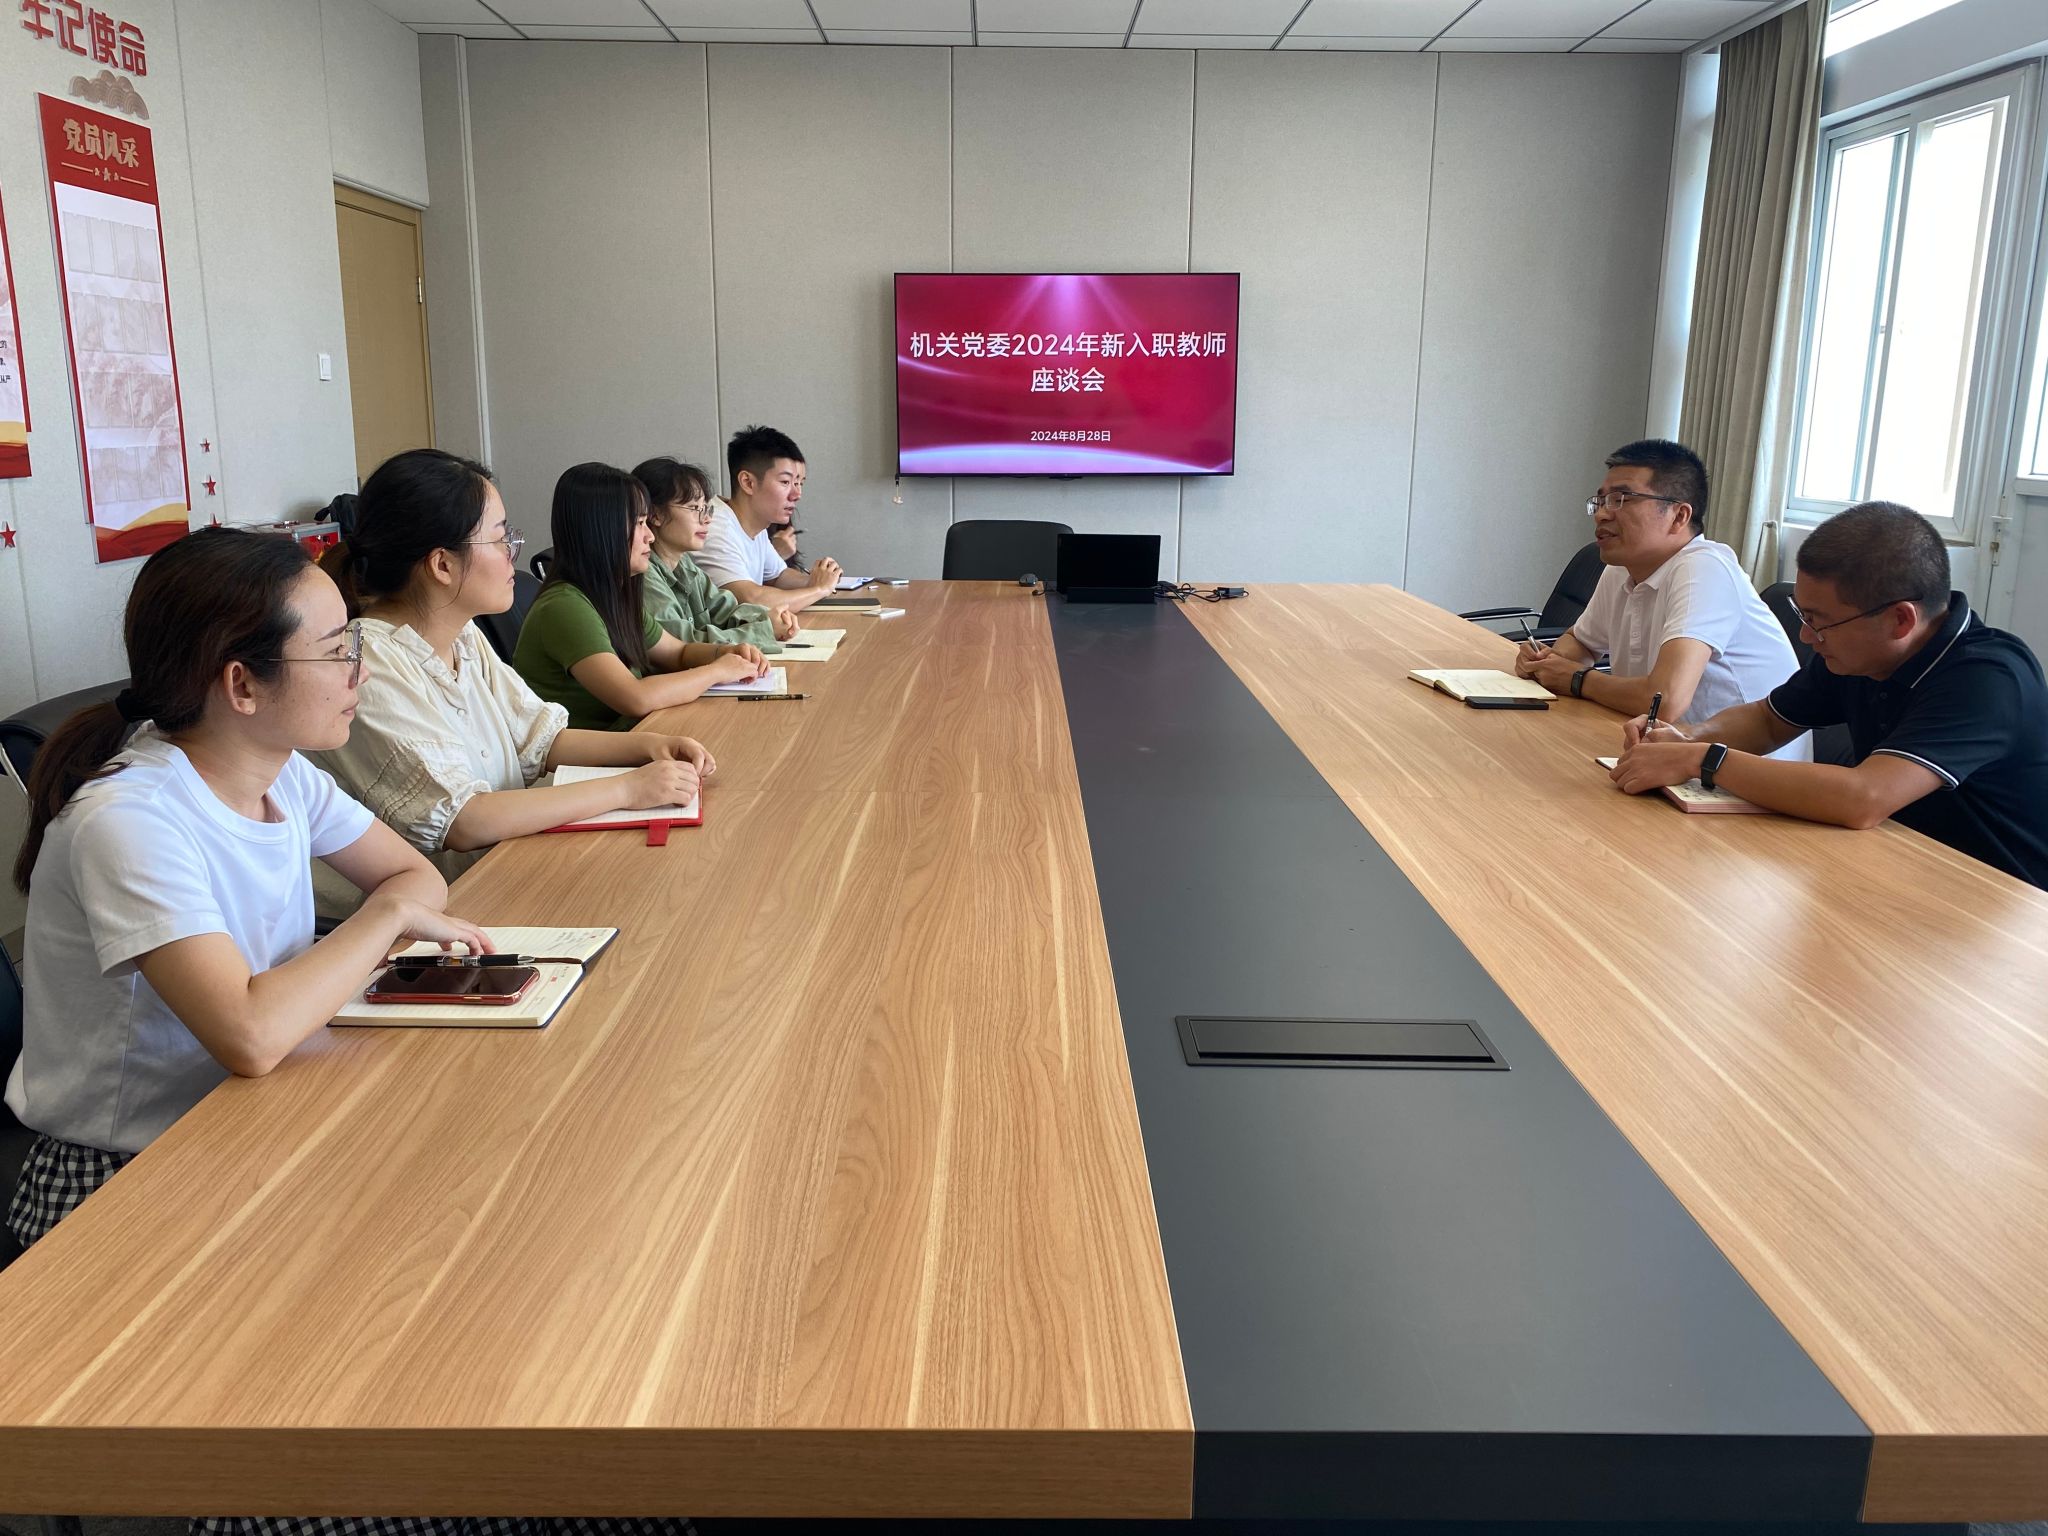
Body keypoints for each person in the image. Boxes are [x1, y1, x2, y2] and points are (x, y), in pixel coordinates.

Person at [4, 528, 488, 1250]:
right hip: (125, 1173)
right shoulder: (129, 821)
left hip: (253, 1111)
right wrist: (388, 917)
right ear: (242, 685)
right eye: (336, 652)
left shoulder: (282, 773)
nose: (359, 672)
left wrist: (394, 908)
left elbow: (415, 875)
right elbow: (251, 1035)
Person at [312, 449, 715, 890]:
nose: (512, 554)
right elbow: (464, 820)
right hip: (447, 904)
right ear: (442, 564)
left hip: (504, 869)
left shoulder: (463, 636)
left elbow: (541, 739)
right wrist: (628, 789)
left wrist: (649, 746)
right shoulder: (370, 663)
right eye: (500, 538)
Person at [1611, 500, 2048, 888]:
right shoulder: (1857, 652)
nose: (1806, 635)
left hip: (1996, 898)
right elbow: (1768, 720)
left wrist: (1702, 759)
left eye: (1819, 621)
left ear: (1900, 620)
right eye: (1803, 615)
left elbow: (1864, 797)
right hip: (1893, 864)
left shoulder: (1989, 678)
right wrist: (1685, 737)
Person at [1515, 440, 1803, 753]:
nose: (1601, 515)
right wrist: (1548, 662)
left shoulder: (1704, 569)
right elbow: (1582, 641)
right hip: (1662, 751)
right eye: (1600, 501)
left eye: (1621, 500)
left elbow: (1665, 700)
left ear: (1679, 516)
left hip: (1743, 769)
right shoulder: (1622, 567)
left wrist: (1576, 679)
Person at [514, 461, 769, 731]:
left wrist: (724, 652)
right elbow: (635, 698)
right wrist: (717, 670)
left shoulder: (613, 595)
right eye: (639, 523)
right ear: (602, 530)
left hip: (632, 735)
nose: (650, 536)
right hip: (597, 752)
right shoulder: (565, 606)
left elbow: (678, 653)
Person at [632, 455, 796, 651]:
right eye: (694, 508)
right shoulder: (644, 574)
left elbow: (726, 610)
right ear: (655, 515)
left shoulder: (684, 563)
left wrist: (767, 618)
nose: (707, 519)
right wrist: (764, 630)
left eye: (705, 508)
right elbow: (683, 645)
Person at [695, 424, 843, 613]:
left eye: (799, 483)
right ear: (748, 483)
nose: (797, 494)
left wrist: (821, 580)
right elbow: (752, 600)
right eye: (785, 482)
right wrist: (819, 589)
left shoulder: (755, 525)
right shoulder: (714, 527)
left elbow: (778, 576)